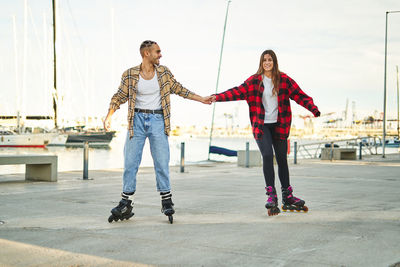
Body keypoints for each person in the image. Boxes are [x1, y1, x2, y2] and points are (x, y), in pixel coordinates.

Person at [104, 40, 212, 223]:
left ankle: (166, 200)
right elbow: (119, 96)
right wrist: (109, 115)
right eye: (157, 52)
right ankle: (125, 203)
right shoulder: (130, 74)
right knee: (130, 163)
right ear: (146, 53)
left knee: (161, 162)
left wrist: (201, 99)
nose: (160, 55)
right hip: (136, 121)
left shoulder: (164, 73)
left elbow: (179, 89)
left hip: (158, 120)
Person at [210, 50, 320, 216]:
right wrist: (216, 97)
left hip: (280, 125)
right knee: (268, 155)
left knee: (282, 158)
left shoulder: (284, 79)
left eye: (270, 60)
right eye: (264, 60)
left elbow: (300, 95)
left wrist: (313, 109)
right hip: (261, 125)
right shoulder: (254, 81)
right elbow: (236, 92)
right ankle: (272, 195)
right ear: (261, 63)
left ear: (274, 62)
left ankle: (287, 196)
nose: (267, 62)